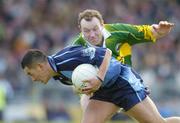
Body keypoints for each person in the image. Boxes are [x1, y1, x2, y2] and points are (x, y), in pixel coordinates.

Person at [21, 46, 180, 123]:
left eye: (30, 73)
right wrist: (86, 100)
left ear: (40, 66)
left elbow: (107, 53)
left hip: (122, 83)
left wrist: (99, 79)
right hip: (104, 93)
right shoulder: (57, 75)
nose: (33, 79)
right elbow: (85, 90)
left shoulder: (66, 58)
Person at [71, 9, 174, 113]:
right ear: (80, 29)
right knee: (86, 101)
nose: (92, 35)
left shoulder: (118, 31)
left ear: (102, 25)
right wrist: (80, 86)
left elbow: (148, 31)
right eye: (87, 31)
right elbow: (73, 78)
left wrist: (159, 31)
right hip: (100, 91)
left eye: (95, 29)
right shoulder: (77, 47)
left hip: (125, 87)